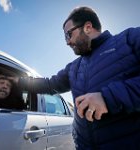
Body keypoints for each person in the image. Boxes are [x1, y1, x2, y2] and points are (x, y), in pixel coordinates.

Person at [9, 6, 140, 150]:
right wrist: (17, 81)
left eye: (68, 35)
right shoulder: (74, 67)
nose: (67, 42)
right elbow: (49, 84)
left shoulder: (129, 39)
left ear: (88, 27)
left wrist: (109, 98)